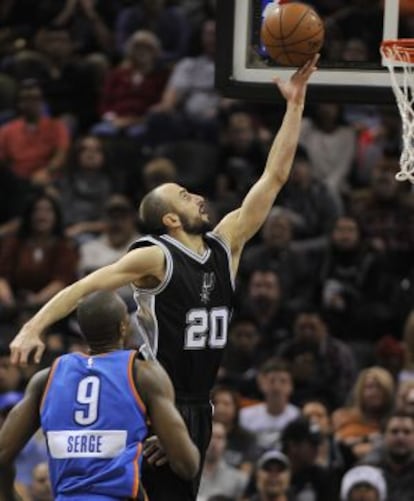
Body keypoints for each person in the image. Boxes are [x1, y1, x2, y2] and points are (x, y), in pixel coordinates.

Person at [10, 56, 319, 501]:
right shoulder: (156, 256)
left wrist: (295, 104)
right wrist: (32, 326)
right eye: (184, 195)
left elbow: (274, 177)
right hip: (157, 402)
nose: (196, 196)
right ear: (171, 218)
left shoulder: (226, 243)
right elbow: (87, 285)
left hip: (200, 404)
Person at [0, 291, 200, 501]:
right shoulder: (143, 375)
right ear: (123, 326)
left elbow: (3, 455)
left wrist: (11, 497)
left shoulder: (47, 378)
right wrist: (171, 442)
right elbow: (187, 465)